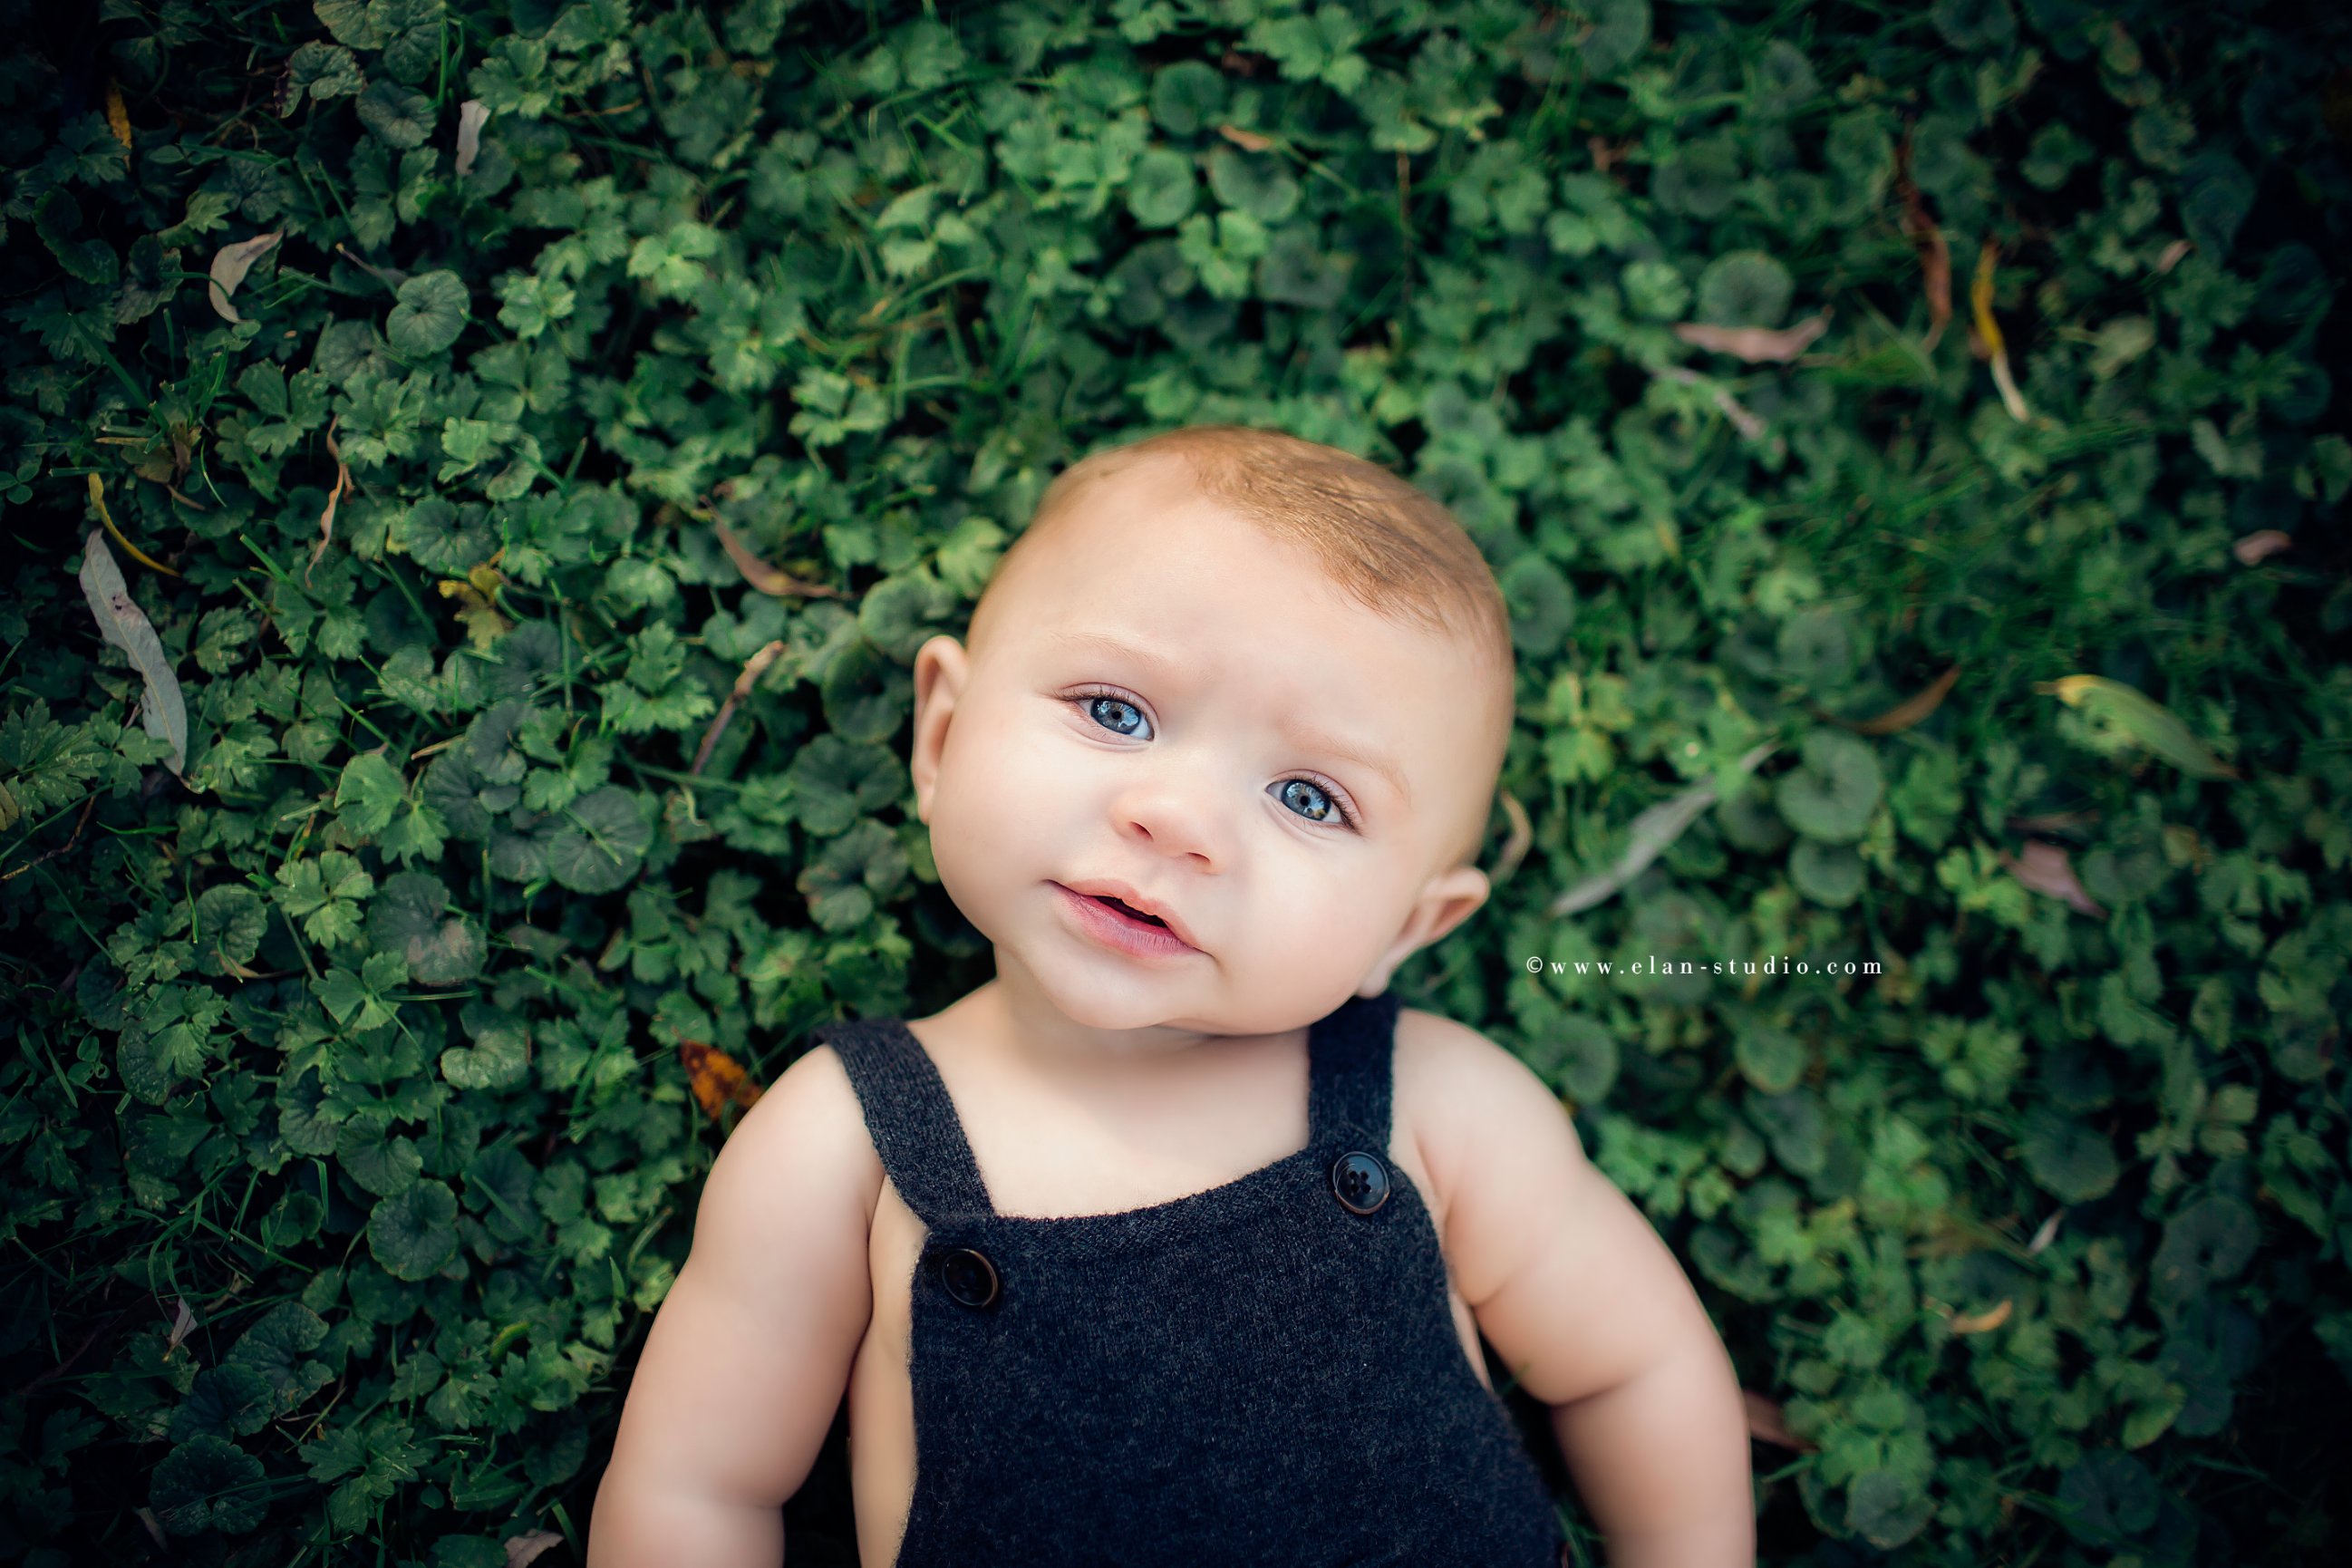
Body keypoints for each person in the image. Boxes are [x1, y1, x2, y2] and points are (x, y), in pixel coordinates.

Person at [587, 425, 1755, 1567]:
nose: (1180, 822)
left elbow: (1635, 1365)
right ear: (941, 734)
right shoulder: (840, 1144)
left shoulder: (1442, 1109)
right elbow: (698, 1485)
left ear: (1409, 926)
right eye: (1115, 712)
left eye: (1308, 798)